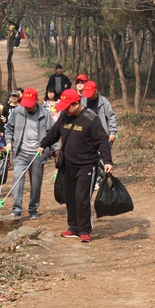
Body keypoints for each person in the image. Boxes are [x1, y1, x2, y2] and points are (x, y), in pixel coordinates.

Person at [39, 89, 113, 244]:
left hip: (86, 165)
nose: (65, 109)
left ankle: (85, 230)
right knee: (70, 197)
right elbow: (54, 133)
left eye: (67, 106)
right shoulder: (64, 116)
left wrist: (107, 161)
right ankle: (73, 226)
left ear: (77, 103)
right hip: (67, 164)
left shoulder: (91, 119)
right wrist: (43, 145)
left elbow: (102, 141)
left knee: (82, 197)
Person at [5, 88, 59, 219]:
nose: (27, 107)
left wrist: (58, 151)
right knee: (18, 180)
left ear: (36, 100)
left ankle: (33, 209)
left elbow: (53, 134)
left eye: (30, 104)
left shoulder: (45, 114)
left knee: (36, 183)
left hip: (38, 154)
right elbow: (9, 128)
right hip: (20, 152)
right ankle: (16, 210)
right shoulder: (18, 111)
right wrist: (8, 142)